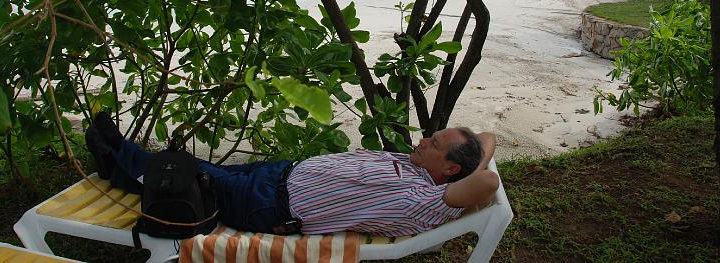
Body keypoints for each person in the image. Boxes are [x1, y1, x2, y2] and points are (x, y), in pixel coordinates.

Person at [85, 113, 499, 237]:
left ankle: (118, 152)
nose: (424, 139)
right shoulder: (423, 169)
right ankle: (118, 167)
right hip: (281, 173)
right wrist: (460, 161)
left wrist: (464, 170)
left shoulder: (423, 202)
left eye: (435, 143)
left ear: (450, 169)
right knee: (201, 171)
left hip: (267, 206)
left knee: (188, 173)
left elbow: (487, 182)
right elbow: (489, 136)